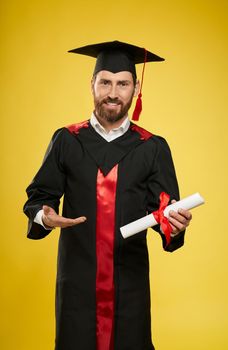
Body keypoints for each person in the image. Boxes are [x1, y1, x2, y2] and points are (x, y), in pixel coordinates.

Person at [23, 40, 192, 350]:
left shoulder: (152, 148)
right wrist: (44, 215)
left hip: (129, 284)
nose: (113, 92)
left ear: (135, 87)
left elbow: (164, 213)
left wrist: (174, 226)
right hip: (78, 284)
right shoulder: (67, 140)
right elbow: (39, 197)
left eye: (123, 84)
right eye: (105, 82)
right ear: (92, 84)